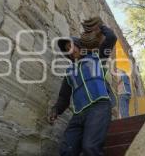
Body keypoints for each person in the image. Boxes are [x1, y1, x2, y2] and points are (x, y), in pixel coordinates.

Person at [49, 18, 117, 156]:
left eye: (71, 46)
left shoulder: (97, 57)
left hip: (99, 107)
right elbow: (64, 97)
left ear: (79, 45)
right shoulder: (69, 72)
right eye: (67, 49)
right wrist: (56, 110)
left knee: (90, 147)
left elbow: (111, 38)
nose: (70, 50)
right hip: (78, 114)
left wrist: (100, 27)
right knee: (66, 151)